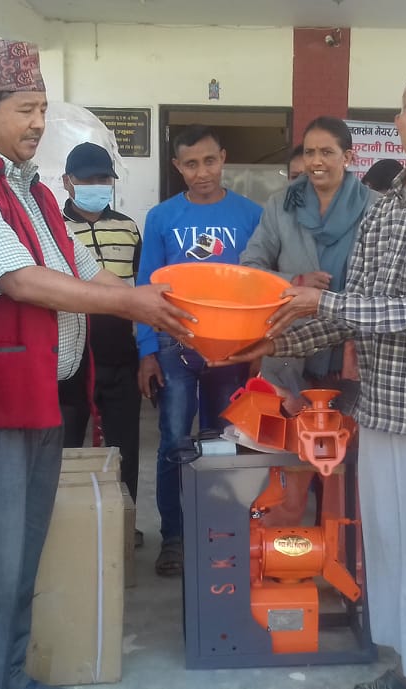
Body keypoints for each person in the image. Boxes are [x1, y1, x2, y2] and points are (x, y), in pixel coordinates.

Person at [0, 39, 191, 689]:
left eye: (43, 108)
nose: (39, 123)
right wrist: (135, 304)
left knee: (18, 565)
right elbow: (20, 280)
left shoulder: (32, 190)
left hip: (34, 402)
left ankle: (7, 675)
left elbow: (84, 269)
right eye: (26, 109)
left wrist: (163, 299)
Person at [221, 48, 406, 689]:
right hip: (378, 410)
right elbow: (353, 315)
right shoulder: (386, 208)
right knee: (391, 551)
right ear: (396, 121)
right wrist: (266, 343)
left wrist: (320, 302)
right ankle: (405, 669)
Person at [135, 124, 263, 577]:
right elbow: (145, 287)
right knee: (173, 440)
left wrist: (258, 348)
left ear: (223, 158)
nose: (202, 172)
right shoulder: (161, 218)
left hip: (231, 350)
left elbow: (259, 284)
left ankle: (219, 533)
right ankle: (174, 537)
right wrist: (147, 351)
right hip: (175, 345)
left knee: (223, 442)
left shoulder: (251, 215)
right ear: (177, 166)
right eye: (191, 164)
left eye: (209, 161)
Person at [241, 116, 377, 413]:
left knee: (347, 439)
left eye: (327, 152)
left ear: (348, 157)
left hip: (354, 356)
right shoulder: (281, 205)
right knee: (291, 439)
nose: (316, 161)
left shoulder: (377, 208)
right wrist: (293, 281)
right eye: (309, 152)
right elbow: (249, 268)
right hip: (289, 350)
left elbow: (382, 288)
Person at [60, 141, 145, 545]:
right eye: (88, 179)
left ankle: (123, 527)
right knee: (65, 447)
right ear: (68, 182)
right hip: (71, 360)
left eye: (103, 179)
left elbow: (140, 287)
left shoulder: (129, 228)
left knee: (125, 447)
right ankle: (67, 529)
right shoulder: (53, 230)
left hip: (121, 356)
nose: (96, 185)